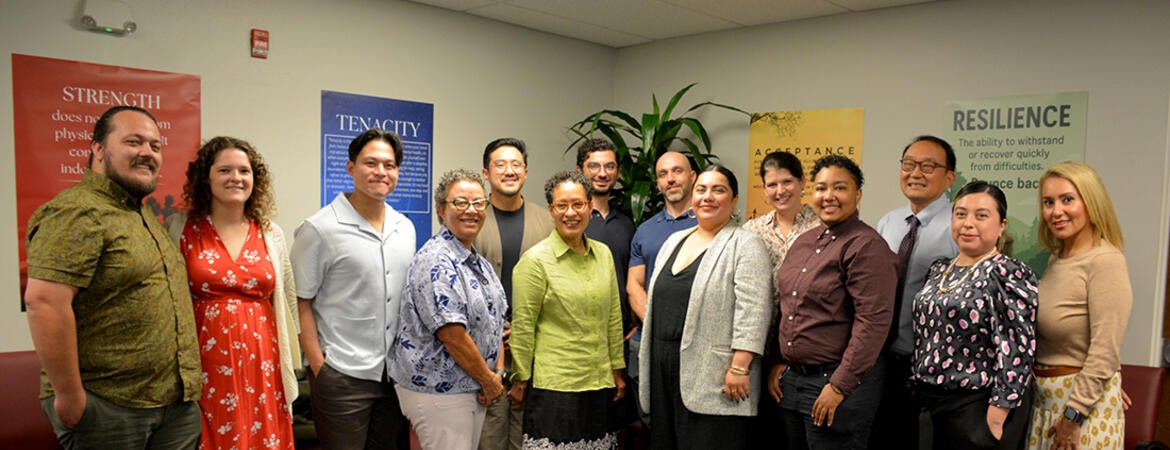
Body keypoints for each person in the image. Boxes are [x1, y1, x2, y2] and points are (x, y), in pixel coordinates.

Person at [24, 105, 202, 449]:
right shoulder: (77, 210)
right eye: (133, 142)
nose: (146, 153)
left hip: (172, 405)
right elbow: (44, 302)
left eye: (155, 146)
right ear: (98, 149)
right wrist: (70, 395)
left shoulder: (141, 212)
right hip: (109, 406)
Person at [164, 136, 300, 450]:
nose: (236, 178)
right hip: (205, 364)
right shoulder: (179, 228)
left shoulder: (271, 233)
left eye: (244, 171)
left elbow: (288, 300)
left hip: (264, 363)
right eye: (225, 170)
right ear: (206, 177)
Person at [292, 128, 416, 450]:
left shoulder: (405, 228)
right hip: (341, 376)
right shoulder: (319, 229)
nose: (381, 172)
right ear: (350, 168)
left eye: (389, 165)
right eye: (370, 163)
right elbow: (300, 301)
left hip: (393, 377)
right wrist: (320, 367)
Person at [638, 165, 773, 449]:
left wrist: (739, 367)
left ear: (734, 200)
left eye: (718, 190)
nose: (707, 196)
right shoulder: (674, 240)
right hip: (663, 370)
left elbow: (754, 311)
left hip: (715, 375)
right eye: (701, 189)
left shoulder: (746, 244)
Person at [773, 154, 898, 449]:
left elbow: (873, 323)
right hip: (793, 382)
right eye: (820, 188)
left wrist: (840, 386)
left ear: (858, 194)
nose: (828, 196)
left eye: (839, 188)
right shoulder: (804, 242)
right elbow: (786, 306)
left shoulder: (866, 246)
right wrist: (778, 361)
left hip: (836, 383)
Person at [911, 180, 1038, 449]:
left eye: (981, 215)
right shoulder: (939, 269)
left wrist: (997, 415)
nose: (968, 223)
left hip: (975, 407)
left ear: (1002, 225)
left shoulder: (1007, 273)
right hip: (929, 402)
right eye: (960, 214)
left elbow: (1017, 349)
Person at [389, 169, 508, 449]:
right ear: (441, 210)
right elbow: (452, 335)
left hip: (473, 386)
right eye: (460, 203)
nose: (471, 210)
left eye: (479, 203)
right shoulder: (437, 261)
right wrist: (489, 381)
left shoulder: (476, 261)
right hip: (440, 392)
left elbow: (495, 321)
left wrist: (497, 375)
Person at [509, 171, 626, 448]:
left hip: (599, 382)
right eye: (561, 205)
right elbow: (524, 325)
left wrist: (617, 369)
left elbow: (612, 317)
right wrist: (520, 378)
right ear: (551, 210)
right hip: (556, 386)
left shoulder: (604, 254)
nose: (570, 213)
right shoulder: (535, 261)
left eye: (578, 204)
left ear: (590, 206)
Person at [1027, 161, 1131, 450]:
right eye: (1048, 202)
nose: (1056, 211)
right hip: (1046, 403)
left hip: (1079, 415)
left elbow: (1104, 349)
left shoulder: (1105, 260)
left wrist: (1076, 412)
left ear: (1091, 202)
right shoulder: (1056, 259)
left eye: (1067, 199)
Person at [871, 135, 960, 448]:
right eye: (908, 165)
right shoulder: (888, 223)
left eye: (928, 166)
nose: (915, 173)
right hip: (880, 361)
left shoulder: (960, 225)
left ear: (950, 177)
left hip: (930, 365)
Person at [473, 137, 555, 450]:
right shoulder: (472, 218)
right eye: (500, 164)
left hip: (536, 344)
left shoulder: (547, 221)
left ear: (526, 172)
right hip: (483, 347)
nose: (509, 170)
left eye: (516, 164)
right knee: (489, 432)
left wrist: (522, 331)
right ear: (485, 173)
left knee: (528, 432)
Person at [627, 151, 698, 424]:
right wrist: (657, 323)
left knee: (690, 425)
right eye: (663, 174)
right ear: (657, 182)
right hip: (649, 341)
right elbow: (634, 284)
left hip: (693, 344)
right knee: (654, 424)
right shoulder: (645, 230)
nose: (671, 179)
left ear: (692, 176)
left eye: (677, 171)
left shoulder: (710, 225)